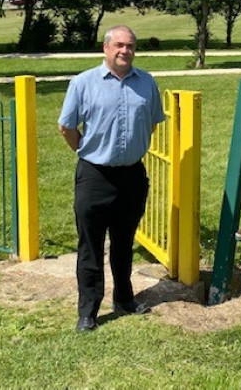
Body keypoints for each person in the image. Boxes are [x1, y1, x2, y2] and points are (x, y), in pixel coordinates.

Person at [58, 25, 165, 332]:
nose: (124, 51)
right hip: (94, 175)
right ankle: (88, 311)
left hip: (132, 175)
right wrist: (85, 149)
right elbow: (66, 126)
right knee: (90, 245)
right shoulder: (82, 83)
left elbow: (153, 123)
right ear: (105, 48)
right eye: (118, 45)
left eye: (130, 46)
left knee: (123, 242)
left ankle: (124, 298)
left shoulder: (147, 83)